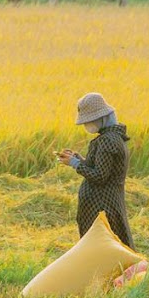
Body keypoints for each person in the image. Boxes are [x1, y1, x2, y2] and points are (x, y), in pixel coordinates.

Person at [55, 92, 133, 248]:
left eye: (90, 121)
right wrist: (78, 159)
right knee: (112, 243)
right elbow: (102, 168)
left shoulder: (106, 141)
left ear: (102, 118)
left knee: (101, 247)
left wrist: (75, 164)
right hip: (108, 202)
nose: (87, 125)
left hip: (101, 206)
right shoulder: (114, 137)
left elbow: (99, 176)